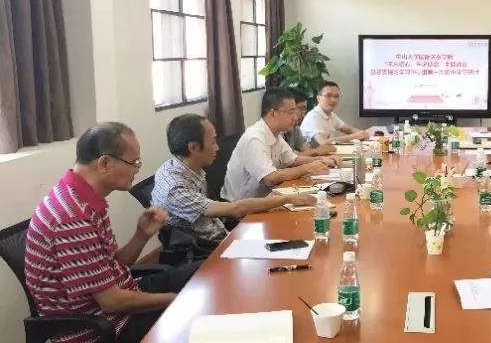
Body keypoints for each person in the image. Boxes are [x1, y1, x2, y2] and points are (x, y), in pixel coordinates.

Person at [25, 123, 198, 343]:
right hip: (101, 329)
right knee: (199, 313)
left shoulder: (83, 197)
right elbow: (112, 302)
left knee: (203, 274)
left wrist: (141, 235)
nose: (137, 170)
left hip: (122, 299)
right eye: (134, 163)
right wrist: (176, 300)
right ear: (105, 163)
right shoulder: (72, 217)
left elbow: (114, 265)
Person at [151, 114, 317, 243]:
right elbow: (236, 209)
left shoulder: (180, 166)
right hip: (207, 251)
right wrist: (287, 199)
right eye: (213, 142)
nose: (217, 147)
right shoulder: (175, 189)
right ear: (193, 147)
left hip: (223, 233)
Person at [222, 88, 340, 201]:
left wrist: (322, 160)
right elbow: (270, 178)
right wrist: (309, 167)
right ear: (273, 113)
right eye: (291, 112)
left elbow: (293, 160)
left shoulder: (275, 134)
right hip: (242, 207)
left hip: (266, 198)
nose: (295, 117)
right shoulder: (255, 138)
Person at [300, 81, 369, 145]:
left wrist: (363, 133)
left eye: (336, 96)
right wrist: (354, 136)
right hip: (312, 154)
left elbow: (349, 129)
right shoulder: (313, 117)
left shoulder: (331, 115)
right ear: (318, 98)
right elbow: (323, 143)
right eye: (328, 96)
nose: (333, 100)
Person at [284, 90, 336, 156]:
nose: (303, 114)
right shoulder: (313, 116)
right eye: (301, 108)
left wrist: (318, 155)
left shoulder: (295, 128)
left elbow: (307, 151)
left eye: (304, 109)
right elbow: (289, 159)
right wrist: (317, 151)